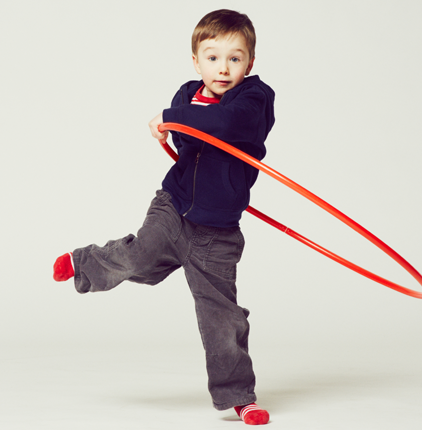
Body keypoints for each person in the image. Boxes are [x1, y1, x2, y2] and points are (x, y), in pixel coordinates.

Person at [53, 9, 275, 426]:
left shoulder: (255, 99)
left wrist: (170, 118)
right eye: (212, 57)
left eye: (235, 58)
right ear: (196, 61)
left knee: (221, 317)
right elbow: (184, 129)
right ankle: (84, 262)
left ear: (250, 62)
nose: (223, 68)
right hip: (173, 207)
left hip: (218, 231)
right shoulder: (187, 92)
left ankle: (239, 397)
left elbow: (225, 124)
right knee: (140, 260)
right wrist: (171, 119)